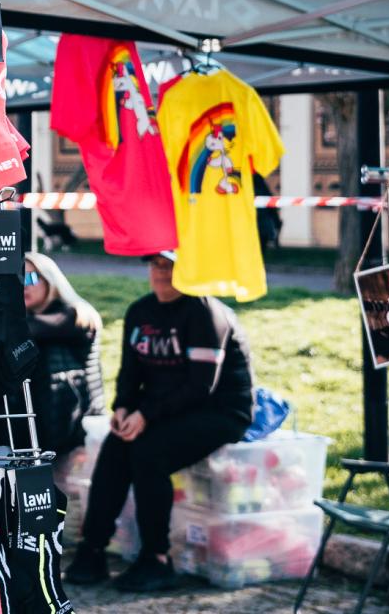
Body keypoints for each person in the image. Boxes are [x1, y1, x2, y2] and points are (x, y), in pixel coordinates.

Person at [65, 250, 254, 593]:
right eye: (156, 265)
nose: (162, 273)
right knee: (115, 447)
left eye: (171, 266)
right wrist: (124, 408)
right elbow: (130, 372)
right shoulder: (140, 311)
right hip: (162, 409)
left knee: (149, 452)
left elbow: (201, 386)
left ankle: (157, 558)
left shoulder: (206, 313)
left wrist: (146, 415)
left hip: (220, 412)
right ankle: (92, 549)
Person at [21, 251, 105, 453]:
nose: (23, 285)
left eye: (30, 277)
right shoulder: (28, 319)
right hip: (45, 419)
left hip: (81, 420)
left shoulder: (76, 314)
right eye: (16, 279)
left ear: (49, 280)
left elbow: (31, 329)